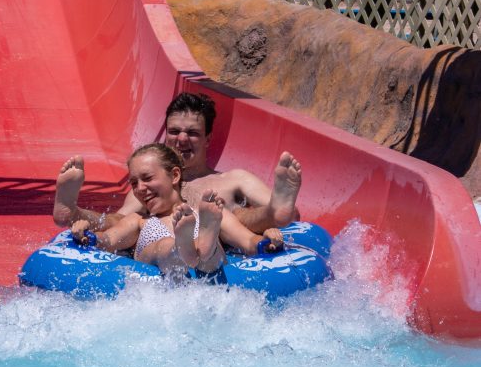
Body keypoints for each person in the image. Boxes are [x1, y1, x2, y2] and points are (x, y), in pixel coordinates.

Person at [53, 92, 301, 237]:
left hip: (225, 242)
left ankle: (270, 214)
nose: (181, 139)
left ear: (208, 139)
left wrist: (277, 213)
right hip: (169, 247)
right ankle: (71, 211)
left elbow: (294, 215)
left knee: (230, 213)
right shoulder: (151, 183)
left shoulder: (234, 179)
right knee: (125, 221)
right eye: (174, 131)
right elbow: (119, 219)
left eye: (192, 133)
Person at [54, 144, 284, 277]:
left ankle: (203, 245)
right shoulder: (138, 221)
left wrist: (268, 240)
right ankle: (187, 246)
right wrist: (86, 234)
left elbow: (248, 242)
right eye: (134, 183)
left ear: (174, 176)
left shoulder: (209, 213)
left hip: (203, 255)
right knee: (165, 246)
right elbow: (108, 240)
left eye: (147, 179)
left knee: (210, 250)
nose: (139, 189)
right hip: (162, 258)